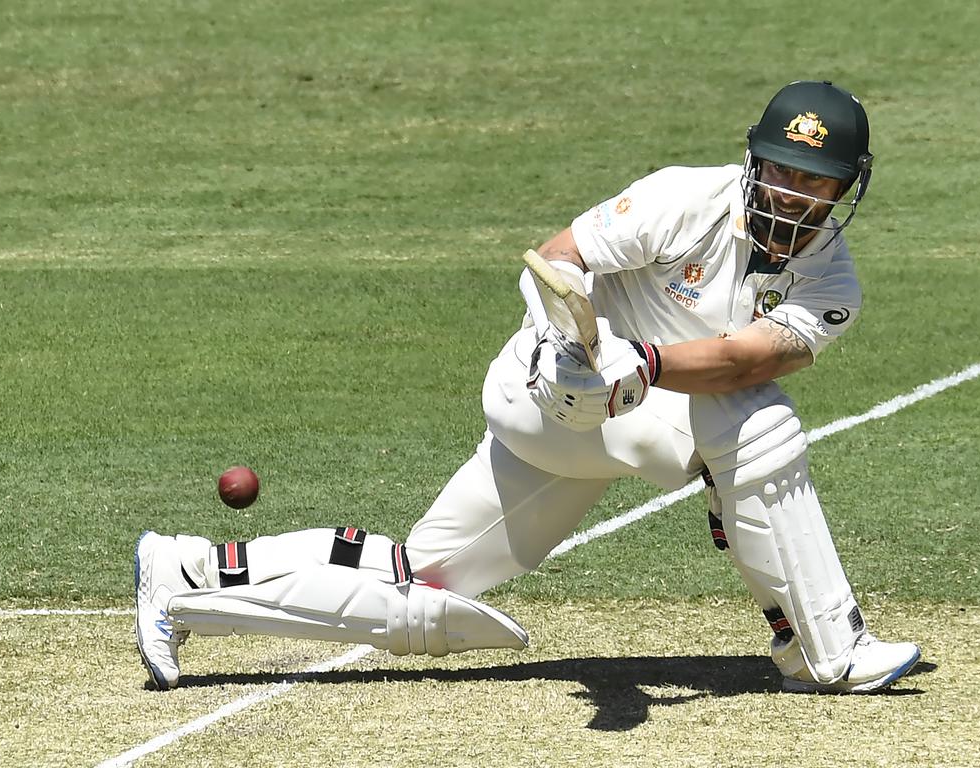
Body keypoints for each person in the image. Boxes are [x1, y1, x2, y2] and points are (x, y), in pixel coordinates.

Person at [136, 80, 921, 693]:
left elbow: (749, 359)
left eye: (812, 180)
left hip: (635, 412)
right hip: (544, 395)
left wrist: (639, 365)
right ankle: (821, 649)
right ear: (753, 159)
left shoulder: (831, 278)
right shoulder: (687, 195)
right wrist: (571, 352)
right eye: (780, 169)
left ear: (845, 186)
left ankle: (189, 573)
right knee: (757, 430)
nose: (789, 193)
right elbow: (557, 261)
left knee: (425, 588)